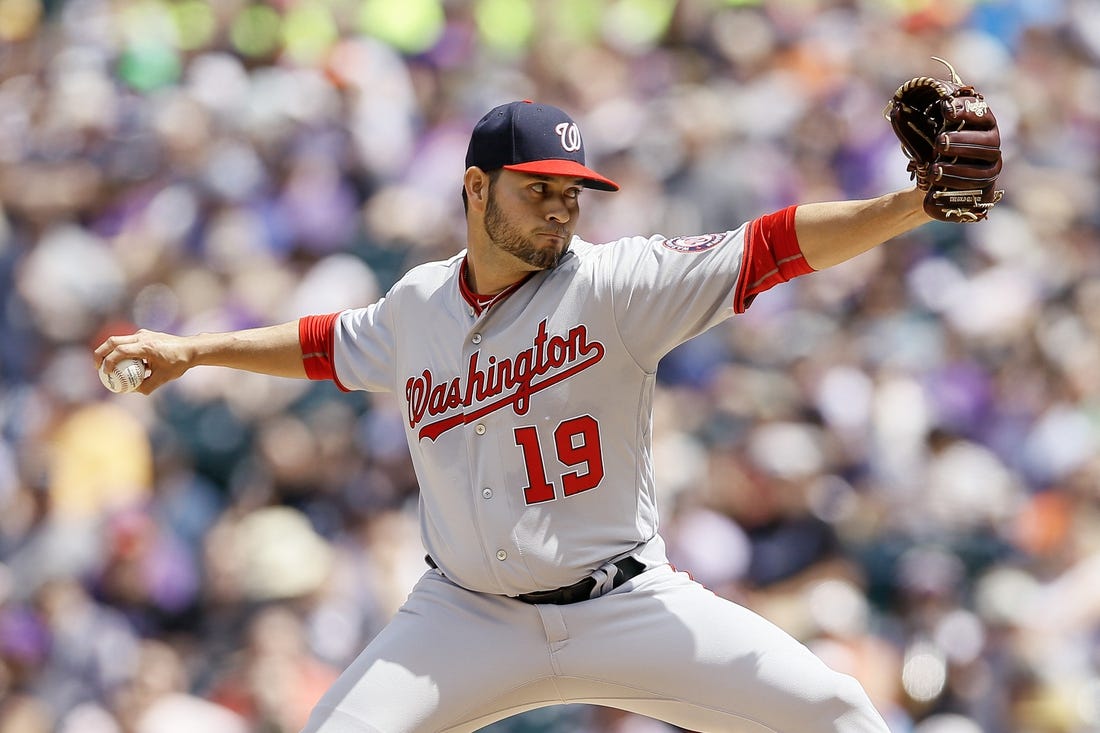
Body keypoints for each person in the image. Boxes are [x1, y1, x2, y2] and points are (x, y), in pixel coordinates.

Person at [95, 99, 955, 732]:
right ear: (476, 187)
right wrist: (195, 350)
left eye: (572, 192)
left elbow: (772, 246)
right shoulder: (419, 302)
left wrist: (914, 204)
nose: (559, 207)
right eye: (538, 187)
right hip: (465, 616)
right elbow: (327, 343)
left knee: (837, 711)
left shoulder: (617, 282)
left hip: (623, 602)